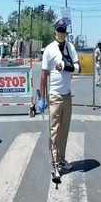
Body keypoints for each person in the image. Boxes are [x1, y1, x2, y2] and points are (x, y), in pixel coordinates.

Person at [38, 19, 81, 173]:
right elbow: (43, 75)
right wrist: (42, 98)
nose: (62, 33)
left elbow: (78, 68)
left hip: (67, 95)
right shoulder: (49, 49)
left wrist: (66, 66)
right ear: (55, 31)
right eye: (59, 30)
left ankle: (61, 159)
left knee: (64, 130)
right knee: (54, 131)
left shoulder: (70, 47)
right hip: (55, 96)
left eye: (64, 31)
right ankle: (55, 163)